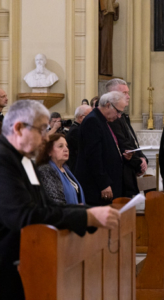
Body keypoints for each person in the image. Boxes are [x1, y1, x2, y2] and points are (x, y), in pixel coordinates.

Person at [0, 100, 120, 300]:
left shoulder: (24, 159)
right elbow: (22, 215)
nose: (45, 138)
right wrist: (86, 217)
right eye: (41, 130)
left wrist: (87, 213)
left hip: (21, 259)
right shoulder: (4, 160)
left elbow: (46, 205)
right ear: (19, 128)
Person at [75, 91, 132, 206]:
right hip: (97, 188)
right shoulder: (93, 121)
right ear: (108, 105)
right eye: (118, 111)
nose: (119, 115)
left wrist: (122, 155)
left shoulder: (102, 120)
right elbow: (93, 157)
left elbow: (106, 150)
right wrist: (104, 184)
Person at [107, 79, 148, 197]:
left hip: (129, 173)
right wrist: (138, 162)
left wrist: (142, 157)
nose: (128, 96)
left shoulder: (123, 116)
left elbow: (133, 142)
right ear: (113, 94)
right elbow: (122, 144)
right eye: (124, 93)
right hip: (121, 176)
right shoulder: (112, 118)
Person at [37, 134, 86, 205]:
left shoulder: (66, 169)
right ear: (49, 151)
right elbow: (55, 202)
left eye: (66, 146)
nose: (66, 149)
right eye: (60, 146)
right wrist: (77, 210)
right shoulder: (46, 170)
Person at [66, 105, 92, 173]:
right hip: (77, 168)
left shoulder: (80, 128)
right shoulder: (75, 131)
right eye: (90, 117)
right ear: (81, 117)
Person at [99, 0, 119, 76]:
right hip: (103, 16)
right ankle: (103, 69)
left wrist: (115, 5)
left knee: (107, 44)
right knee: (104, 43)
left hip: (108, 16)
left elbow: (111, 4)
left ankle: (106, 69)